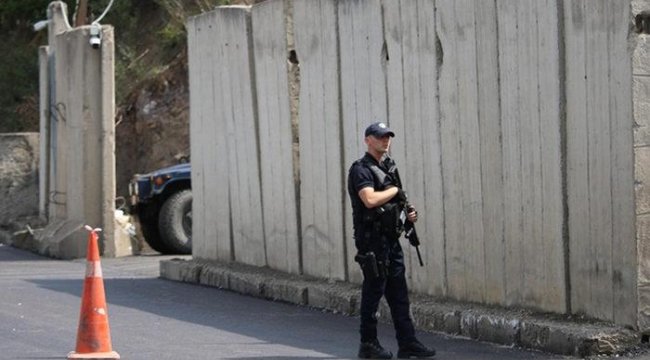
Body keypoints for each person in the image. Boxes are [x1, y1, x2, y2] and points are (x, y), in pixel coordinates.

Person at [347, 122, 436, 359]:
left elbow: (394, 203)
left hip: (390, 240)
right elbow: (369, 199)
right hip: (372, 243)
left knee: (399, 295)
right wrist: (395, 191)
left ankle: (407, 343)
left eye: (388, 137)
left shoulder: (388, 167)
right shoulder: (361, 169)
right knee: (373, 293)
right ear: (368, 140)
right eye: (379, 137)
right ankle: (368, 344)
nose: (385, 140)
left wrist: (408, 214)